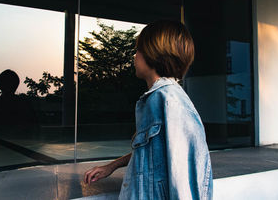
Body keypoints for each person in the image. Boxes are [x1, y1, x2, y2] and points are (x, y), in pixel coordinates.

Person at [83, 20, 213, 200]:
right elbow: (152, 151)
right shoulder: (157, 98)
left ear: (153, 54)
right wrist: (111, 166)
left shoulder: (168, 100)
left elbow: (183, 173)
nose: (135, 57)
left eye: (138, 50)